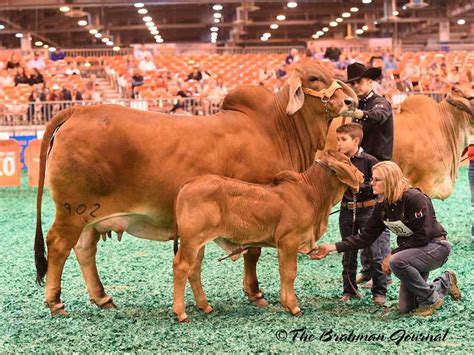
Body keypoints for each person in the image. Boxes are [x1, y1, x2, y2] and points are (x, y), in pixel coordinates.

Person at [312, 161, 462, 316]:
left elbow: (422, 236)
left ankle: (431, 300)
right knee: (406, 307)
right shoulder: (383, 206)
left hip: (436, 247)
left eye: (377, 180)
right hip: (414, 252)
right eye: (372, 179)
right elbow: (365, 238)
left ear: (390, 180)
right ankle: (445, 282)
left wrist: (392, 253)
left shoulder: (415, 198)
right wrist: (332, 247)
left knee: (396, 261)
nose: (371, 183)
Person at [340, 62, 394, 289]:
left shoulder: (379, 102)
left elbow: (377, 116)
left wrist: (356, 113)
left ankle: (382, 274)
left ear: (369, 82)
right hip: (361, 169)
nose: (356, 86)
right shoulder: (360, 105)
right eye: (352, 83)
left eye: (359, 82)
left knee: (376, 222)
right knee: (361, 220)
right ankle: (368, 271)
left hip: (379, 170)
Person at [334, 123, 388, 305]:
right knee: (348, 252)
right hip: (346, 211)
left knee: (375, 253)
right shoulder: (338, 162)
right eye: (337, 140)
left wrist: (360, 188)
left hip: (368, 211)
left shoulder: (370, 161)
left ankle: (379, 292)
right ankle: (349, 290)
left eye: (343, 139)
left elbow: (378, 187)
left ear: (356, 140)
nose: (338, 144)